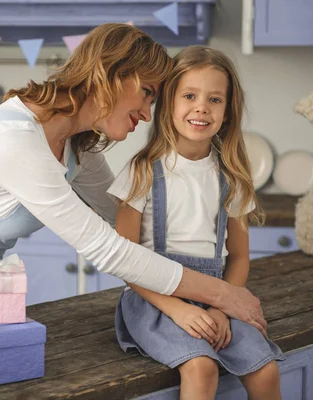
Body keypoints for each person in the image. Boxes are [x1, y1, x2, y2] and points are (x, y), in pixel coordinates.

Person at [0, 24, 268, 340]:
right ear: (112, 75)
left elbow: (122, 223)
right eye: (146, 93)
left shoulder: (78, 145)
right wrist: (222, 295)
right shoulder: (14, 142)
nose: (148, 114)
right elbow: (107, 250)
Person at [109, 46, 285, 399]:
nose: (202, 107)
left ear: (227, 110)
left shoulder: (231, 176)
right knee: (201, 367)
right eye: (189, 95)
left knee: (266, 371)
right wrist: (177, 309)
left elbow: (238, 257)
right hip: (156, 300)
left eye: (215, 99)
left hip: (216, 295)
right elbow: (125, 260)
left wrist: (222, 308)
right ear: (168, 103)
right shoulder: (142, 171)